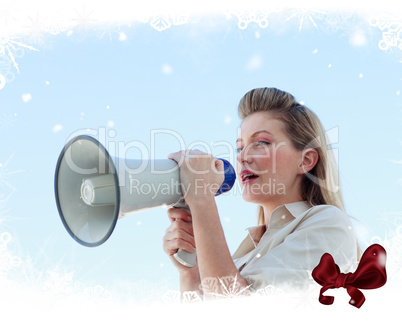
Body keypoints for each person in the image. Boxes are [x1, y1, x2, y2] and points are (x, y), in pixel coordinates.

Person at [162, 87, 358, 300]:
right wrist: (192, 273)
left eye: (261, 143)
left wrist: (201, 201)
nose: (242, 157)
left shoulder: (330, 224)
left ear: (306, 160)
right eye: (240, 148)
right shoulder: (244, 256)